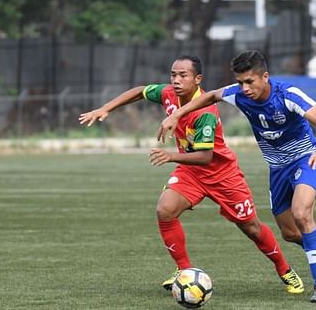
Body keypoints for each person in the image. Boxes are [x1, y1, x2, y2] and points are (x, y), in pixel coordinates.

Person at [78, 55, 304, 295]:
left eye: (183, 75)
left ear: (197, 79)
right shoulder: (168, 95)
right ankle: (184, 270)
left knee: (251, 228)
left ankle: (285, 269)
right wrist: (105, 109)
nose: (176, 80)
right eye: (173, 75)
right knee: (165, 210)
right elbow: (140, 91)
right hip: (190, 172)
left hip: (222, 175)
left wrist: (170, 156)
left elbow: (205, 157)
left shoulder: (205, 111)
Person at [158, 50, 316, 303]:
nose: (244, 88)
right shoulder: (238, 94)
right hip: (277, 168)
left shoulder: (287, 94)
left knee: (302, 214)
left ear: (265, 76)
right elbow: (210, 96)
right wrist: (176, 115)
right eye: (240, 82)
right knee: (291, 233)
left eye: (250, 81)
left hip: (306, 159)